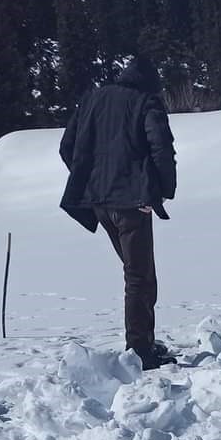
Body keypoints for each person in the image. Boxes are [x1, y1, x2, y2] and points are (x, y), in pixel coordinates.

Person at [59, 54, 177, 371]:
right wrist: (161, 190)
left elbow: (66, 147)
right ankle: (140, 351)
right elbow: (161, 147)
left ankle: (143, 342)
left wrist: (95, 182)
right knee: (140, 277)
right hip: (132, 205)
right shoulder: (146, 102)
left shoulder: (93, 99)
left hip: (100, 205)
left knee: (135, 274)